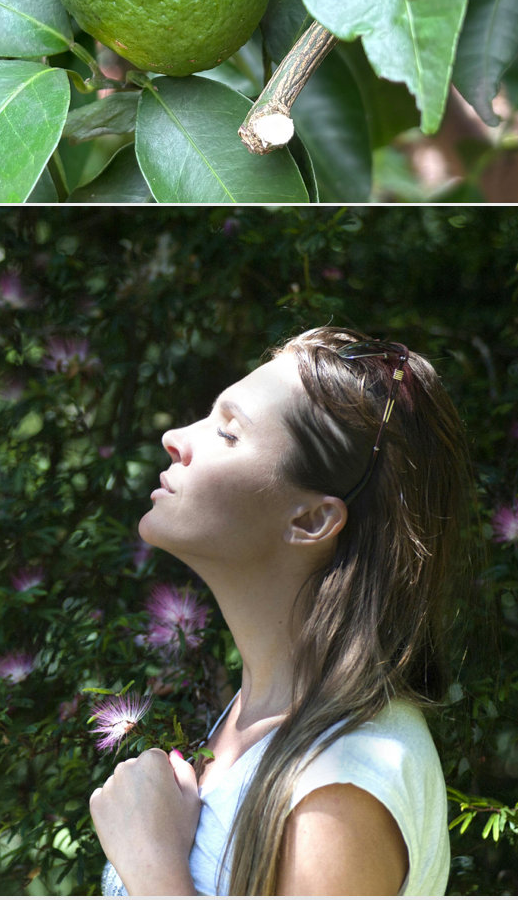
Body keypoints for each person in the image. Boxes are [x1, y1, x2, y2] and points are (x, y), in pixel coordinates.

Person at [91, 327, 472, 895]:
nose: (174, 437)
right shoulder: (260, 720)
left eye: (227, 432)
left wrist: (150, 865)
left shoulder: (342, 783)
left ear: (311, 521)